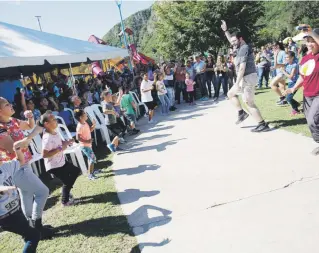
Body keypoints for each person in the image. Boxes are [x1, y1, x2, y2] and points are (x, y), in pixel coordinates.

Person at [0, 97, 52, 238]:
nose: (11, 105)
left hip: (24, 164)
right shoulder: (0, 128)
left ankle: (29, 228)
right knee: (43, 192)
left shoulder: (13, 121)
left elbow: (29, 126)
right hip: (15, 168)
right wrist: (36, 131)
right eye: (7, 104)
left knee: (27, 196)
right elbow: (13, 148)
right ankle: (37, 225)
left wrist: (31, 119)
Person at [221, 20, 269, 132]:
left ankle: (262, 124)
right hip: (245, 77)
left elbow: (242, 68)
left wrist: (237, 83)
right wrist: (226, 31)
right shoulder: (239, 46)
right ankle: (241, 112)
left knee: (249, 102)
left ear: (240, 39)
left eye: (234, 41)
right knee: (230, 94)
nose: (232, 43)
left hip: (247, 77)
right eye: (232, 41)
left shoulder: (244, 49)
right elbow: (231, 39)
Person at [0, 139, 40, 253]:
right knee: (34, 235)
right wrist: (4, 188)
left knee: (28, 235)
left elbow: (20, 161)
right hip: (6, 217)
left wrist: (17, 150)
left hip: (16, 210)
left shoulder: (5, 167)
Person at [285, 28, 319, 155]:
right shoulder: (305, 58)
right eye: (307, 41)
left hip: (318, 95)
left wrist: (310, 31)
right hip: (307, 95)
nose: (309, 44)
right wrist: (294, 88)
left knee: (312, 121)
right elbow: (302, 76)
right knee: (313, 122)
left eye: (312, 41)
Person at [40, 112, 81, 206]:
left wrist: (67, 142)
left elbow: (59, 142)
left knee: (75, 171)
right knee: (67, 181)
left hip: (61, 162)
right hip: (54, 165)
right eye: (53, 120)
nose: (56, 121)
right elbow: (44, 155)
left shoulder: (54, 132)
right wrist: (60, 149)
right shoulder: (47, 137)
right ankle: (65, 201)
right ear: (46, 124)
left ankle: (66, 194)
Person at [74, 109, 98, 180]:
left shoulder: (85, 123)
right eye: (84, 113)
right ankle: (90, 175)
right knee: (92, 158)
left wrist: (94, 125)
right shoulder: (80, 126)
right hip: (84, 146)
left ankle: (91, 172)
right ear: (81, 117)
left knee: (90, 158)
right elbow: (77, 138)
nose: (86, 114)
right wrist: (87, 141)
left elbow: (90, 130)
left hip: (88, 145)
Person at [271, 41, 287, 105]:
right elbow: (275, 64)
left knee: (272, 85)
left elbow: (285, 63)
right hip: (278, 72)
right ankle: (285, 100)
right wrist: (275, 56)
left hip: (282, 72)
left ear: (278, 46)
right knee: (282, 88)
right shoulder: (276, 53)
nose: (273, 48)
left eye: (274, 46)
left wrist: (276, 66)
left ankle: (282, 97)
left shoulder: (283, 52)